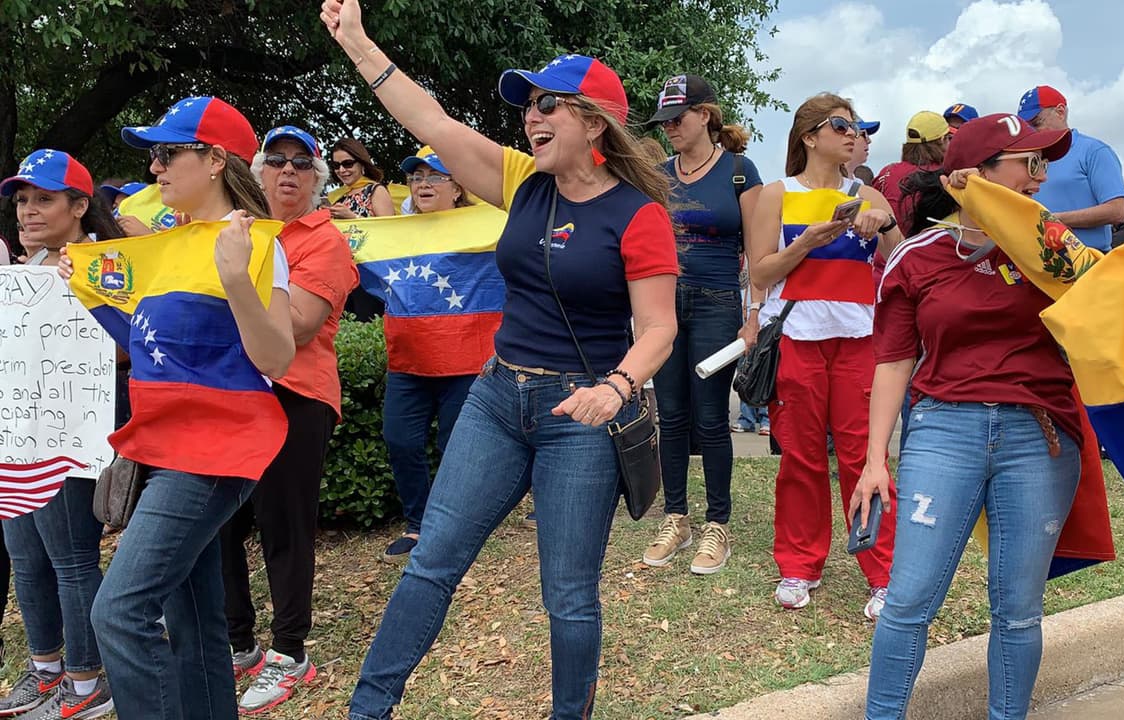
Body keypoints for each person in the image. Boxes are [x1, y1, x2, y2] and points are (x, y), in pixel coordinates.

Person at [320, 2, 678, 717]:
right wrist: (359, 45)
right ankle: (368, 709)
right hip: (496, 397)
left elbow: (659, 328)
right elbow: (431, 123)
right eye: (526, 106)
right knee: (431, 564)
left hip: (580, 412)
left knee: (568, 595)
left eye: (548, 104)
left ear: (595, 121)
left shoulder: (639, 215)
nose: (529, 116)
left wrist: (617, 386)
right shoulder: (522, 182)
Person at [63, 95, 296, 720]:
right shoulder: (167, 246)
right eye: (153, 155)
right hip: (166, 446)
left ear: (215, 159)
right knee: (192, 621)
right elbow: (152, 348)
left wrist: (239, 280)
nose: (156, 167)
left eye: (169, 153)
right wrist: (87, 294)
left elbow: (275, 359)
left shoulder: (254, 241)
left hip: (216, 449)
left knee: (117, 610)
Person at [856, 113, 1081, 719]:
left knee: (1018, 607)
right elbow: (894, 361)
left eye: (1045, 165)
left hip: (1040, 438)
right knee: (909, 599)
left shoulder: (1055, 253)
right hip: (943, 431)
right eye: (1027, 164)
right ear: (972, 176)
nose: (1040, 179)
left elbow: (1119, 312)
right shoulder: (918, 258)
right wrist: (875, 461)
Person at [746, 92, 902, 615]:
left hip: (859, 341)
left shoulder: (870, 194)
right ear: (810, 136)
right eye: (841, 125)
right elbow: (761, 275)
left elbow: (902, 260)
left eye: (856, 127)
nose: (853, 134)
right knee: (801, 458)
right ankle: (798, 566)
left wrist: (883, 225)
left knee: (866, 457)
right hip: (796, 339)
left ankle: (885, 571)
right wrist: (806, 243)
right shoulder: (776, 194)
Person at [219, 125, 357, 714]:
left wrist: (226, 288)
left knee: (284, 524)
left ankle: (290, 651)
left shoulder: (324, 241)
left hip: (296, 393)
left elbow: (296, 324)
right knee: (220, 524)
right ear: (257, 172)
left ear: (317, 179)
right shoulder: (236, 231)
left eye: (303, 163)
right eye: (275, 160)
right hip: (230, 395)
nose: (288, 171)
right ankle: (237, 642)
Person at [0, 149, 122, 719]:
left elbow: (127, 347)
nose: (28, 210)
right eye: (23, 200)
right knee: (25, 555)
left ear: (79, 206)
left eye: (43, 199)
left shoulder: (104, 263)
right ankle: (45, 668)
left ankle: (86, 679)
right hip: (16, 433)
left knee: (71, 556)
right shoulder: (22, 276)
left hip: (69, 434)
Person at [640, 73, 763, 575]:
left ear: (705, 115)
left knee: (711, 418)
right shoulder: (657, 174)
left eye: (678, 117)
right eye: (664, 120)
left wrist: (754, 315)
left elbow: (758, 253)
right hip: (663, 306)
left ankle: (718, 524)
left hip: (718, 304)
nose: (669, 127)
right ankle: (676, 518)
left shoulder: (739, 171)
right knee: (669, 415)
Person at [378, 146, 492, 563]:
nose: (422, 184)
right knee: (400, 439)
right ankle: (417, 522)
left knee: (454, 445)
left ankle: (445, 528)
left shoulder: (487, 225)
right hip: (407, 361)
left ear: (459, 187)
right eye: (415, 177)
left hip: (463, 361)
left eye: (434, 176)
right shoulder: (392, 232)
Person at [1017, 85, 1124, 252]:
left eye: (1036, 123)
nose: (1031, 132)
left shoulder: (1094, 151)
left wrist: (1053, 220)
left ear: (1060, 112)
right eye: (1026, 127)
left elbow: (1117, 211)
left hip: (1087, 262)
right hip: (1035, 262)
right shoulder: (1024, 158)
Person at [328, 137, 394, 320]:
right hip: (343, 274)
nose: (342, 170)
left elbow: (389, 232)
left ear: (362, 163)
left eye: (348, 163)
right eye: (337, 165)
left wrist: (353, 218)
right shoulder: (339, 198)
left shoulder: (376, 190)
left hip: (370, 273)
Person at [873, 111, 950, 238]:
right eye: (949, 138)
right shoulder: (944, 176)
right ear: (942, 140)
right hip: (925, 252)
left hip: (888, 254)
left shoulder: (887, 172)